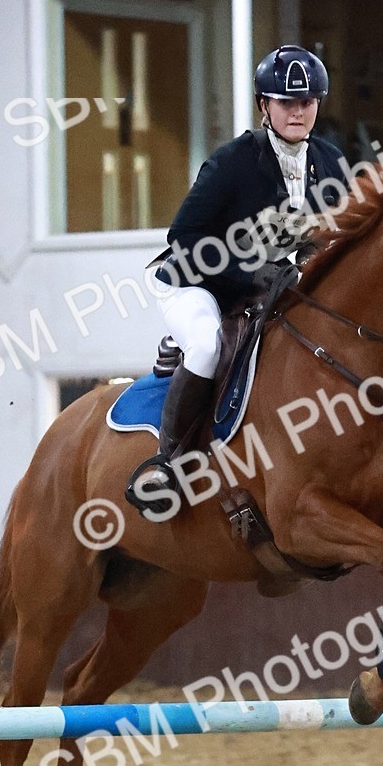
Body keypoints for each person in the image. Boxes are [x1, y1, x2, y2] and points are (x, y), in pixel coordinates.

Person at [129, 44, 348, 510]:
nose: (298, 111)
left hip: (272, 289)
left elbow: (342, 235)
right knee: (208, 345)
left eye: (307, 102)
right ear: (264, 105)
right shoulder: (232, 163)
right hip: (198, 283)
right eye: (286, 102)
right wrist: (250, 275)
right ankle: (169, 464)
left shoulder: (329, 163)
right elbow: (184, 235)